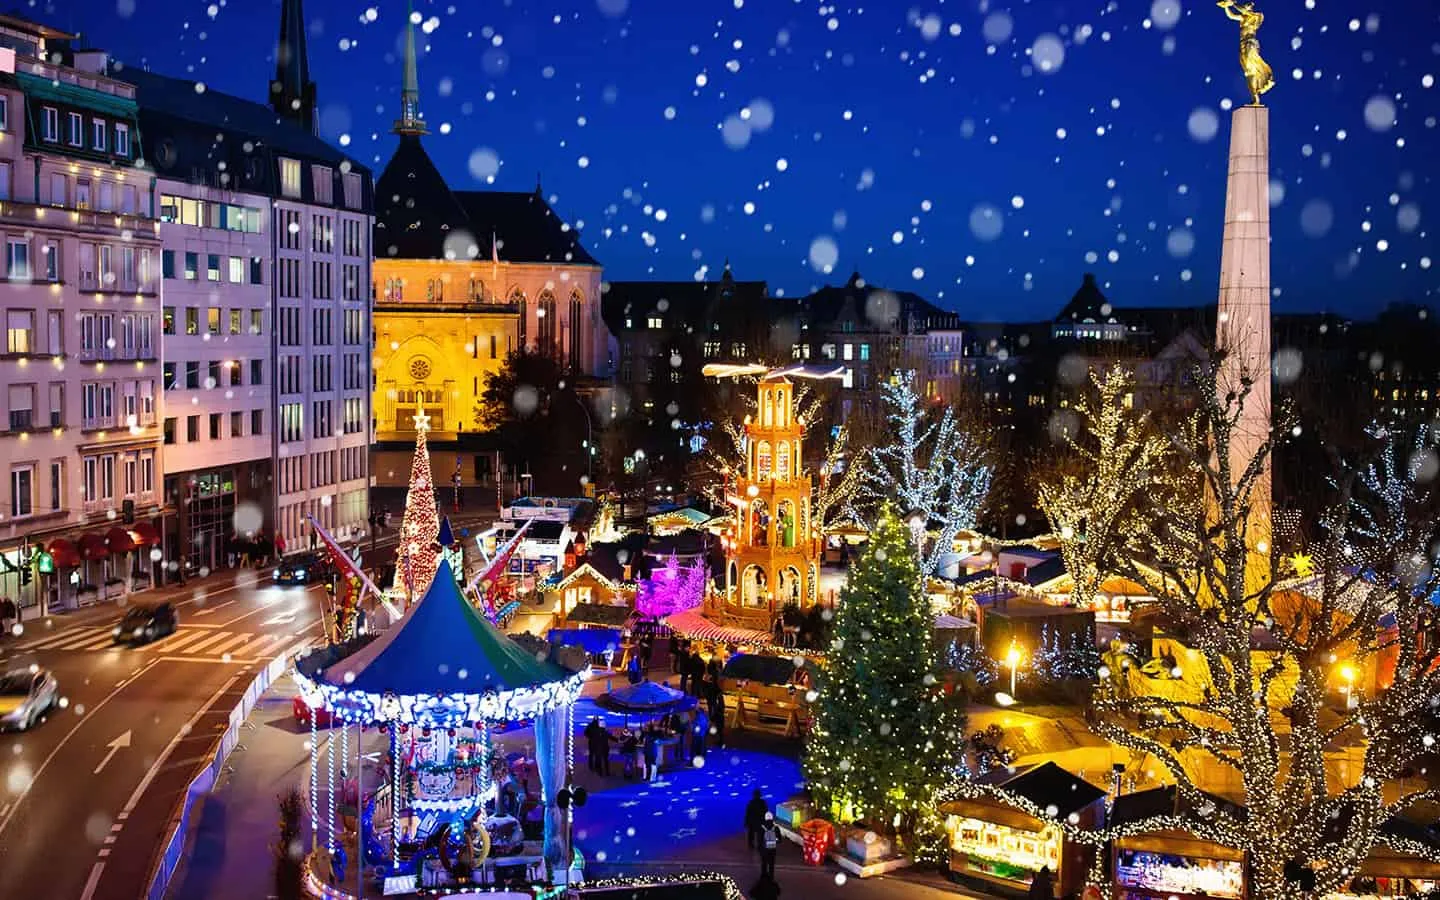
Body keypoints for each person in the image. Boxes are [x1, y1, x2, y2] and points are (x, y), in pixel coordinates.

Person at [759, 812, 780, 878]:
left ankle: (764, 877)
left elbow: (759, 840)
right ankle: (771, 877)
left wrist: (759, 848)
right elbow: (779, 840)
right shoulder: (776, 827)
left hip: (764, 849)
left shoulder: (762, 828)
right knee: (771, 864)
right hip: (772, 849)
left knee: (764, 863)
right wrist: (775, 840)